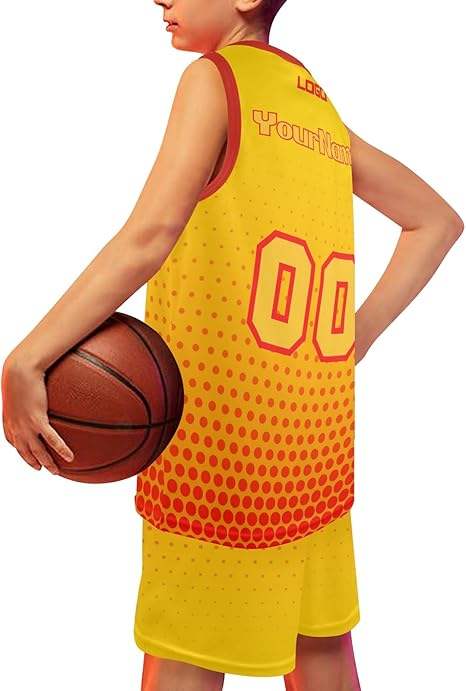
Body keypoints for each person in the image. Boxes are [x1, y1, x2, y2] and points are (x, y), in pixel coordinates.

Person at [1, 0, 463, 690]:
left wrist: (29, 356)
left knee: (181, 659)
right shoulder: (315, 107)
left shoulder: (215, 80)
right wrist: (352, 337)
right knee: (322, 652)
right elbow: (436, 221)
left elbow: (150, 235)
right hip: (315, 447)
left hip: (221, 452)